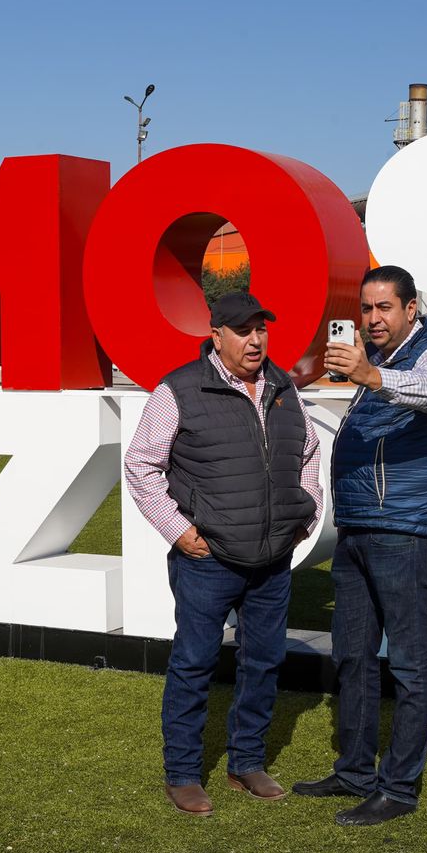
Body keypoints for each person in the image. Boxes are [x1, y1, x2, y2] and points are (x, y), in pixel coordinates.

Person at [123, 291, 323, 816]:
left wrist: (304, 516)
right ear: (216, 336)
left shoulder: (283, 386)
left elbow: (307, 453)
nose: (255, 340)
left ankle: (247, 762)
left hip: (272, 559)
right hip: (207, 560)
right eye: (242, 330)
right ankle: (183, 774)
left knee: (264, 662)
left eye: (261, 329)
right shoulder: (178, 390)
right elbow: (141, 465)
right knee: (194, 664)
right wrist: (178, 531)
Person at [292, 265, 427, 826]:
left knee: (410, 665)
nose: (372, 318)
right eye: (366, 309)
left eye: (384, 307)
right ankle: (355, 771)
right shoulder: (381, 363)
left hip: (405, 532)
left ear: (411, 309)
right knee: (351, 655)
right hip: (359, 529)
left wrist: (370, 375)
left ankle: (399, 788)